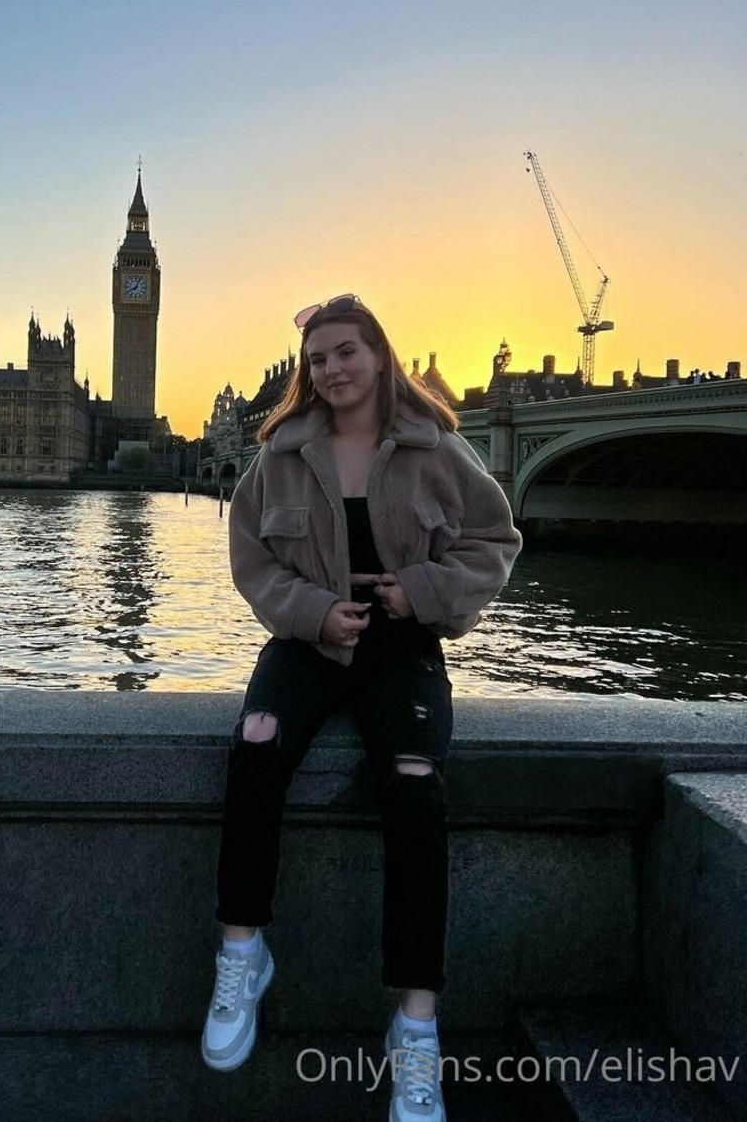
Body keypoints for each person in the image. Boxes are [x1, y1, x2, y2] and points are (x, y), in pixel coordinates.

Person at [200, 294, 521, 1122]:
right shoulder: (279, 455)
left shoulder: (435, 447)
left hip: (401, 646)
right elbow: (251, 561)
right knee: (257, 743)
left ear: (380, 355)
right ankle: (243, 950)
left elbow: (495, 543)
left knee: (415, 785)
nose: (332, 369)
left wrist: (419, 592)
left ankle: (415, 1023)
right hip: (307, 642)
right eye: (318, 359)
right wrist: (313, 611)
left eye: (346, 352)